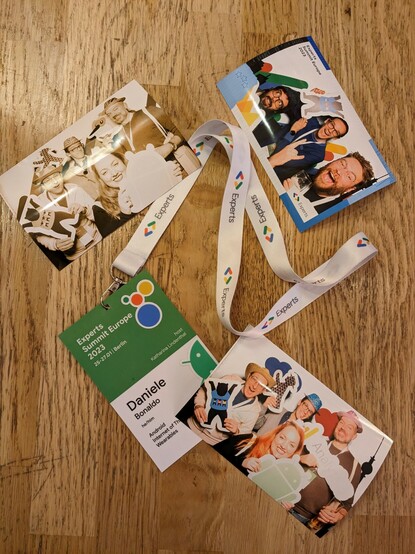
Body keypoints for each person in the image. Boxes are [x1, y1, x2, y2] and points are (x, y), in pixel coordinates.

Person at [283, 410, 363, 530]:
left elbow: (347, 503)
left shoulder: (355, 466)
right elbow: (283, 461)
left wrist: (338, 516)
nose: (343, 428)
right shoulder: (315, 442)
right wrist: (300, 458)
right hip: (284, 500)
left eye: (349, 427)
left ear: (354, 436)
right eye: (341, 423)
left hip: (305, 520)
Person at [187, 363, 276, 446]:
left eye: (261, 385)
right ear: (248, 376)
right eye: (254, 379)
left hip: (211, 443)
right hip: (191, 425)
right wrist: (199, 405)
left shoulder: (254, 411)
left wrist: (237, 431)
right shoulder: (231, 379)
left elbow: (243, 436)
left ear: (263, 390)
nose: (255, 386)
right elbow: (205, 389)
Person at [31, 164, 101, 260]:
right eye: (48, 181)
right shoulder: (39, 203)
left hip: (98, 239)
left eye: (56, 176)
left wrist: (85, 210)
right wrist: (54, 243)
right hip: (75, 255)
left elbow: (100, 214)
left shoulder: (75, 189)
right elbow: (39, 235)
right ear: (43, 186)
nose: (55, 182)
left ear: (61, 175)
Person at [283, 152, 375, 213]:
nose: (339, 171)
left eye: (349, 176)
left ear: (350, 189)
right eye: (342, 164)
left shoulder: (333, 213)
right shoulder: (296, 174)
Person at [267, 116, 349, 181]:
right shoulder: (310, 122)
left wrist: (293, 131)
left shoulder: (318, 155)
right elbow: (277, 135)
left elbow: (280, 159)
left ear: (335, 138)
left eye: (336, 132)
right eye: (332, 125)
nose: (330, 130)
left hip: (271, 171)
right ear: (327, 121)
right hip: (265, 147)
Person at [101, 96, 183, 158]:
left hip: (175, 165)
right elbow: (121, 162)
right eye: (109, 114)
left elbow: (182, 130)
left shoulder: (149, 111)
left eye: (115, 109)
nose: (113, 115)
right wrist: (106, 148)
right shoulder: (118, 137)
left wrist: (170, 145)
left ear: (125, 105)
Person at [214, 421, 305, 475]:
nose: (284, 446)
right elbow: (213, 454)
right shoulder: (248, 441)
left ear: (295, 451)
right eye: (282, 438)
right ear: (275, 435)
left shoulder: (283, 476)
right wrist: (242, 462)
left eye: (291, 445)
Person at [255, 393, 322, 435]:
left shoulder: (300, 434)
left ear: (310, 416)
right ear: (299, 402)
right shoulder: (278, 410)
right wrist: (264, 407)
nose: (305, 411)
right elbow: (256, 425)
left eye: (310, 411)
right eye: (306, 406)